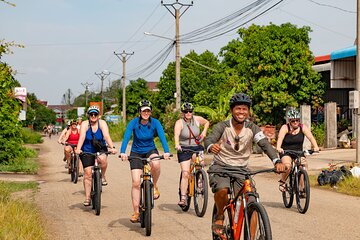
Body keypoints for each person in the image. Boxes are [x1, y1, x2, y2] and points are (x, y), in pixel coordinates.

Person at [204, 92, 285, 236]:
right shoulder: (222, 126)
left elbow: (265, 144)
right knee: (222, 190)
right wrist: (211, 146)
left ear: (248, 111)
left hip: (242, 170)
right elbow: (210, 139)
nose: (241, 112)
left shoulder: (252, 128)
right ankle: (220, 216)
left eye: (244, 109)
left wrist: (276, 160)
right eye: (238, 108)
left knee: (252, 203)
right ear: (231, 110)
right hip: (221, 167)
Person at [120, 100, 171, 223]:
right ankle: (136, 212)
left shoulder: (155, 123)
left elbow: (162, 137)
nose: (146, 113)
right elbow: (127, 136)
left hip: (150, 150)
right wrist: (122, 152)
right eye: (144, 110)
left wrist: (166, 151)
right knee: (136, 182)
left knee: (156, 163)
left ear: (151, 112)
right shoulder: (133, 123)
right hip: (136, 152)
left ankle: (155, 186)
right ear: (139, 112)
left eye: (148, 110)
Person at [75, 106, 117, 206]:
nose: (93, 116)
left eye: (95, 114)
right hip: (87, 149)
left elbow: (106, 136)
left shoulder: (102, 123)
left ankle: (102, 176)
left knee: (102, 159)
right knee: (88, 173)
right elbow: (82, 137)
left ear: (99, 115)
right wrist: (78, 149)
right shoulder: (85, 124)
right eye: (91, 114)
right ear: (88, 115)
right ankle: (87, 197)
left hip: (100, 147)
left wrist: (112, 147)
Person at [174, 102, 209, 208]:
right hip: (184, 148)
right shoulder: (179, 123)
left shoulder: (197, 119)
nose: (188, 113)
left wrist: (204, 132)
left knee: (200, 164)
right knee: (185, 173)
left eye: (190, 111)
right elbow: (176, 135)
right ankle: (183, 197)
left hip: (196, 147)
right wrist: (176, 144)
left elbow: (207, 122)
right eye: (186, 111)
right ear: (183, 113)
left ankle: (199, 181)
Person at [276, 108, 319, 193]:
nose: (295, 122)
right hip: (286, 152)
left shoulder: (302, 127)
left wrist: (316, 146)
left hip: (298, 152)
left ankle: (302, 188)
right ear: (289, 121)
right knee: (287, 166)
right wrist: (278, 147)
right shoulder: (285, 127)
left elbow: (310, 137)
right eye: (293, 121)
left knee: (303, 165)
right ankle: (282, 182)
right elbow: (280, 138)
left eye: (297, 120)